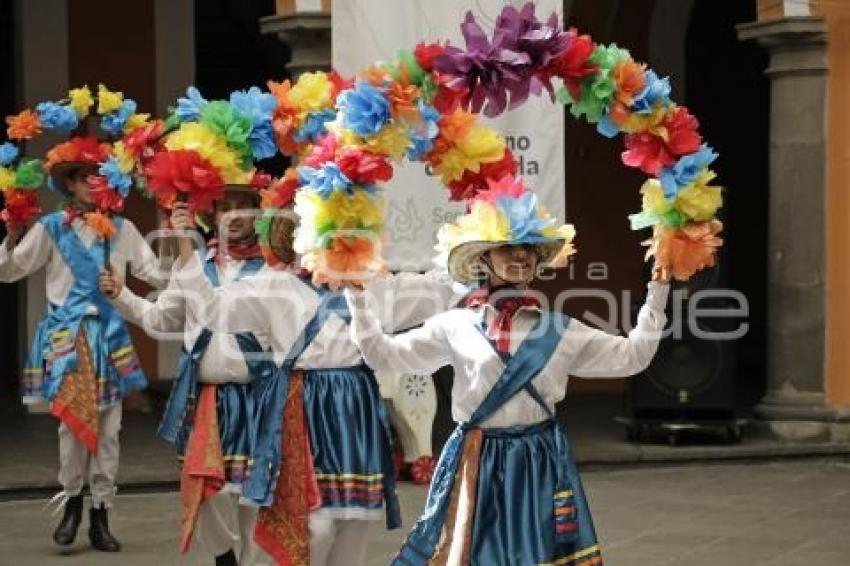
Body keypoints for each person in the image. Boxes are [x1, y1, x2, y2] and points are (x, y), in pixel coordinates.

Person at [345, 182, 670, 565]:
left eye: (527, 249)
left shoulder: (561, 330)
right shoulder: (454, 325)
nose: (519, 256)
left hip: (539, 459)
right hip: (476, 458)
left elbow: (633, 356)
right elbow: (382, 355)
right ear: (484, 259)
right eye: (507, 247)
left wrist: (659, 287)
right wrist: (357, 297)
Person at [167, 203, 461, 566]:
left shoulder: (375, 287)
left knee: (354, 522)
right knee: (315, 525)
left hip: (354, 407)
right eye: (325, 235)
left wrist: (471, 247)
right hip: (301, 407)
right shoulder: (274, 286)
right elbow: (211, 310)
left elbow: (440, 290)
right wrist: (185, 245)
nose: (334, 244)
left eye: (345, 236)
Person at [0, 145, 166, 552]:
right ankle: (71, 503)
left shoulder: (123, 230)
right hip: (66, 338)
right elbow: (9, 270)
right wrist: (11, 236)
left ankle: (100, 514)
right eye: (85, 177)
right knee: (70, 428)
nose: (94, 185)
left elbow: (157, 274)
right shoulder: (51, 228)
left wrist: (184, 243)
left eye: (101, 177)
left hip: (108, 334)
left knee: (109, 431)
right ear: (70, 183)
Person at [100, 185, 275, 565]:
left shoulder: (273, 270)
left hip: (259, 396)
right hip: (206, 399)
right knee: (204, 487)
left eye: (242, 207)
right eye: (224, 208)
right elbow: (161, 318)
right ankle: (224, 558)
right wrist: (121, 295)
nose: (233, 215)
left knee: (253, 498)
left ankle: (246, 561)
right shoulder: (196, 266)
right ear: (211, 216)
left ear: (258, 214)